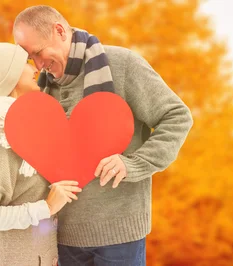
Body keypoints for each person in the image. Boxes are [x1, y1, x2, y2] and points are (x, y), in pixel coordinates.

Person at [12, 5, 194, 265]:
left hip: (119, 237)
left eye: (39, 53)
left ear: (60, 31)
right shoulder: (41, 88)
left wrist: (134, 164)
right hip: (62, 238)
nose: (39, 65)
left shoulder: (121, 64)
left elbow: (177, 116)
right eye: (31, 58)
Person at [0, 42, 82, 266]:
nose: (35, 69)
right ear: (9, 77)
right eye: (26, 63)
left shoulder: (31, 131)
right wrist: (45, 208)